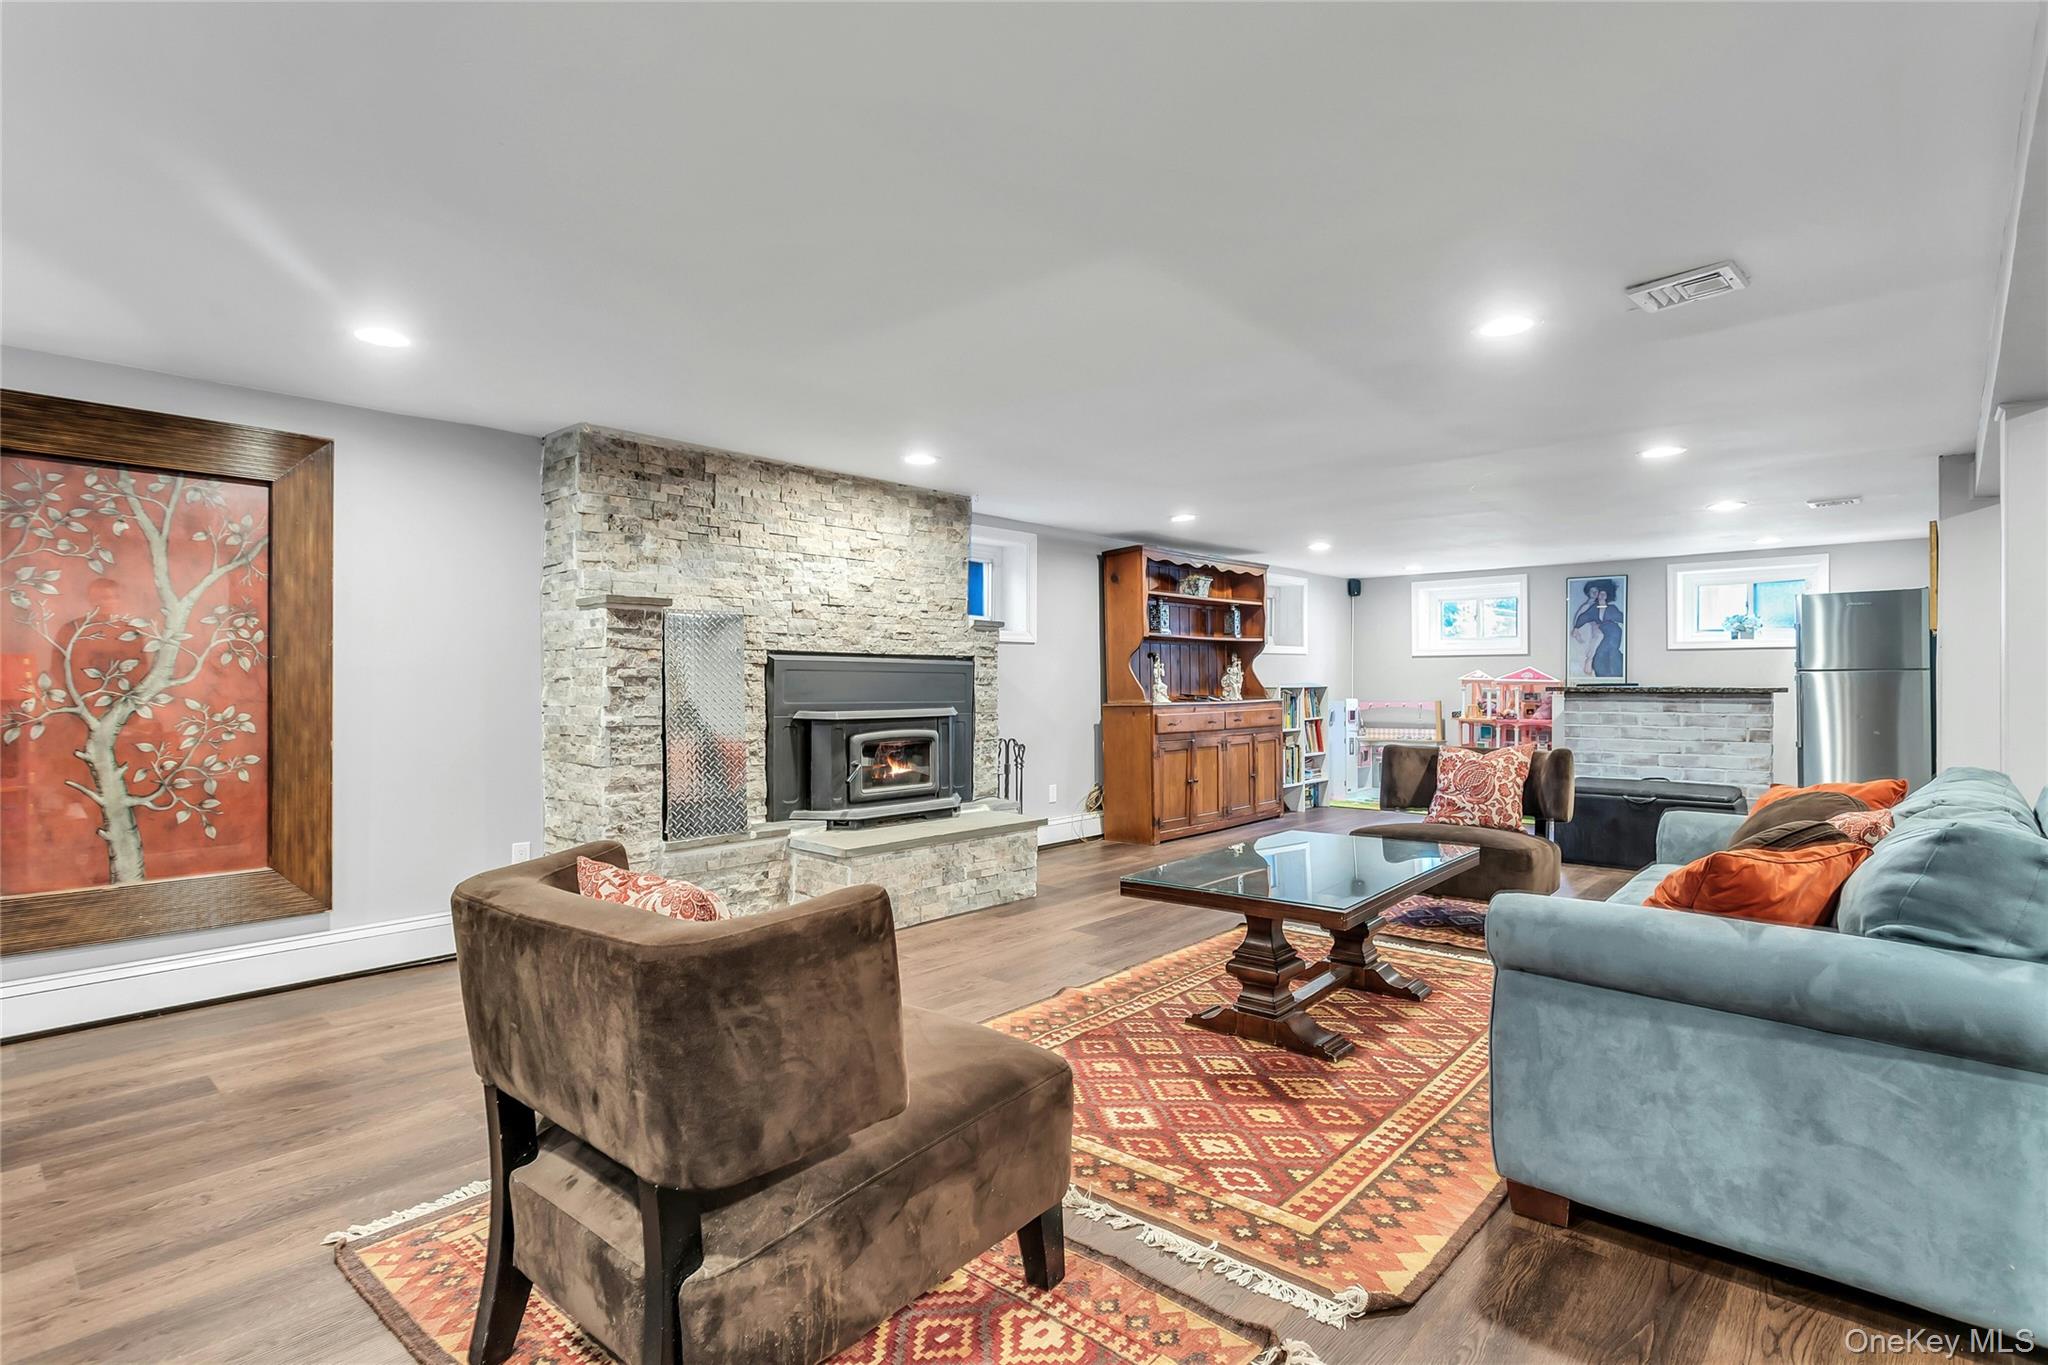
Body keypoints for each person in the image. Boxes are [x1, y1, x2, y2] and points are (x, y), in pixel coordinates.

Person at [1572, 579, 1625, 678]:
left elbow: (1622, 617)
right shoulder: (1594, 608)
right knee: (1601, 654)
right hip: (1604, 633)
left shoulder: (1612, 608)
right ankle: (1604, 676)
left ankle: (1616, 676)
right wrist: (1576, 628)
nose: (1602, 596)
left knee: (1611, 652)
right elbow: (1584, 617)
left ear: (1607, 596)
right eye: (1600, 594)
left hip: (1614, 632)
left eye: (1604, 594)